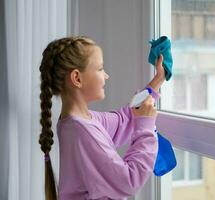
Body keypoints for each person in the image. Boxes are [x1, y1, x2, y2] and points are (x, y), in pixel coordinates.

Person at [38, 36, 165, 200]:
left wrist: (157, 81)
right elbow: (128, 181)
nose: (106, 76)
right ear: (77, 78)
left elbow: (123, 121)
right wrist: (146, 128)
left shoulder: (77, 121)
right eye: (100, 69)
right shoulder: (82, 131)